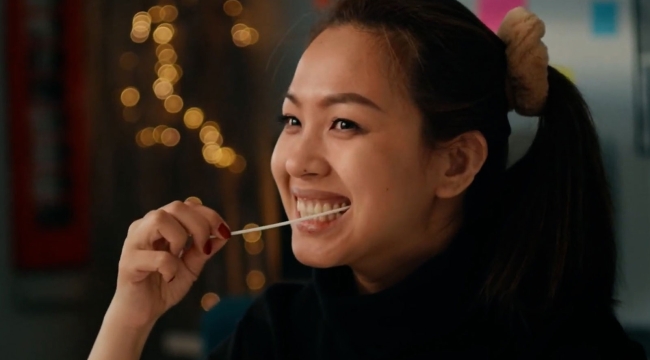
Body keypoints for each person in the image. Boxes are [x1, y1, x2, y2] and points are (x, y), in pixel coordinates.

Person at [89, 0, 647, 359]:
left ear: (455, 164)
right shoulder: (280, 334)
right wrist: (130, 317)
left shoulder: (563, 345)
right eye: (292, 120)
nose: (298, 161)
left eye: (344, 123)